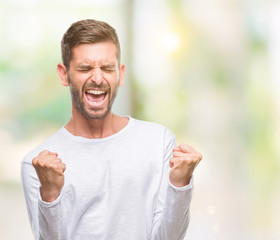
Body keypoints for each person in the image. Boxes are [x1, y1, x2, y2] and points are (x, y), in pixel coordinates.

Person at [21, 19, 202, 240]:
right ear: (63, 74)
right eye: (85, 68)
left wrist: (180, 186)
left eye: (107, 68)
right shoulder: (37, 164)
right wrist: (50, 195)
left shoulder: (158, 141)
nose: (98, 78)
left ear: (120, 73)